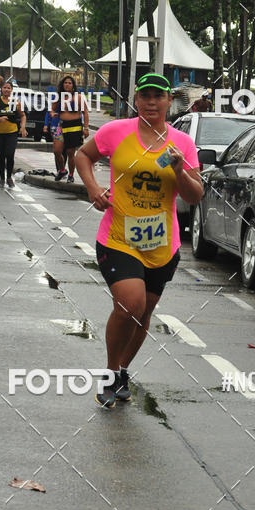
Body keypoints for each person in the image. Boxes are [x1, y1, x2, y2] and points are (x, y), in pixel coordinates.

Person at [75, 71, 203, 408]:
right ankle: (109, 372)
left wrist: (178, 171)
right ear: (136, 100)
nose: (150, 102)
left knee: (144, 313)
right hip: (118, 237)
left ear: (167, 102)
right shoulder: (115, 131)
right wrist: (92, 187)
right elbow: (83, 156)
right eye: (144, 96)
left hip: (162, 243)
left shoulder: (183, 144)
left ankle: (121, 371)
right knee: (130, 304)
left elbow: (194, 195)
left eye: (158, 96)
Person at [0, 80, 27, 188]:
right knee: (1, 157)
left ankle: (9, 177)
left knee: (10, 155)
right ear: (1, 89)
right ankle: (2, 178)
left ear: (12, 90)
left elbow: (23, 115)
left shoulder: (16, 102)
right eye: (4, 87)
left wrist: (23, 127)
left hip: (12, 133)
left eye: (8, 88)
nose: (6, 90)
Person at [52, 75, 89, 183]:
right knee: (57, 151)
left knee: (70, 153)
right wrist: (53, 113)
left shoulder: (78, 97)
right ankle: (62, 170)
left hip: (74, 126)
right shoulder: (58, 97)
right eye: (65, 83)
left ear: (73, 86)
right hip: (61, 126)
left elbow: (85, 113)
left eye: (69, 83)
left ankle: (71, 175)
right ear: (62, 85)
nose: (67, 85)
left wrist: (86, 128)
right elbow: (52, 109)